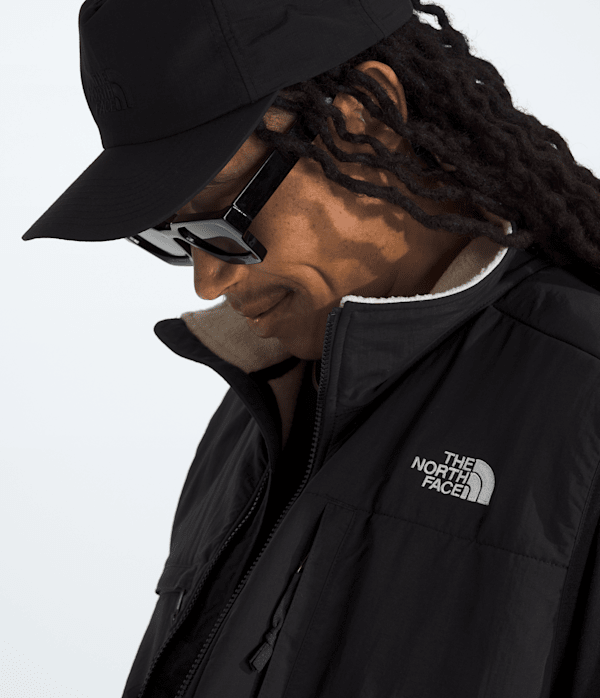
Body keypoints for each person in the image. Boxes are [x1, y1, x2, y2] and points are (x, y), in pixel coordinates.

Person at [21, 0, 600, 696]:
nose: (208, 280)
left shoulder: (583, 406)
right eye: (170, 236)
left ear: (365, 120)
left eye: (223, 216)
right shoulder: (261, 402)